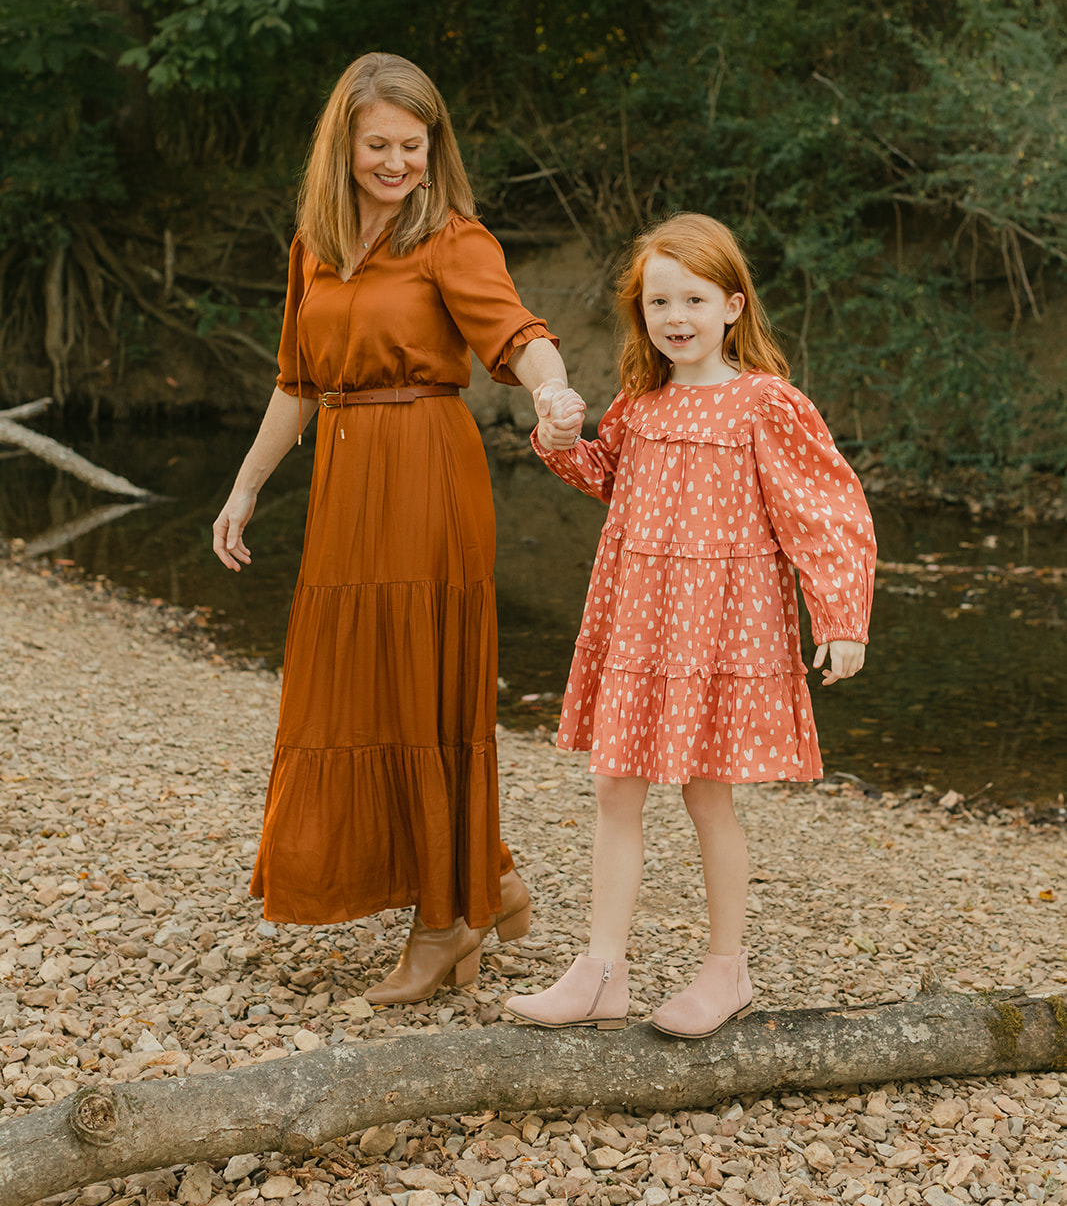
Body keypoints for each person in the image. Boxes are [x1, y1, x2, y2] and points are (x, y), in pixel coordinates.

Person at [211, 51, 584, 1005]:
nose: (393, 163)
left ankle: (444, 921)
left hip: (426, 466)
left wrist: (553, 392)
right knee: (360, 684)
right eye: (376, 145)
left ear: (433, 146)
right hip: (342, 474)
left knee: (422, 681)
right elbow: (297, 382)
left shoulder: (452, 238)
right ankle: (487, 875)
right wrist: (246, 488)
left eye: (410, 146)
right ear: (344, 144)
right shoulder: (315, 244)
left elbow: (516, 334)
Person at [505, 212, 875, 1037]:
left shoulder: (763, 403)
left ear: (732, 306)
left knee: (708, 796)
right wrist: (560, 435)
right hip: (639, 616)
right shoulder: (639, 405)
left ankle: (725, 970)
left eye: (694, 299)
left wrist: (840, 616)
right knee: (613, 787)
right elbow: (604, 475)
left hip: (722, 625)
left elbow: (827, 512)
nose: (675, 317)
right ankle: (601, 970)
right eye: (658, 302)